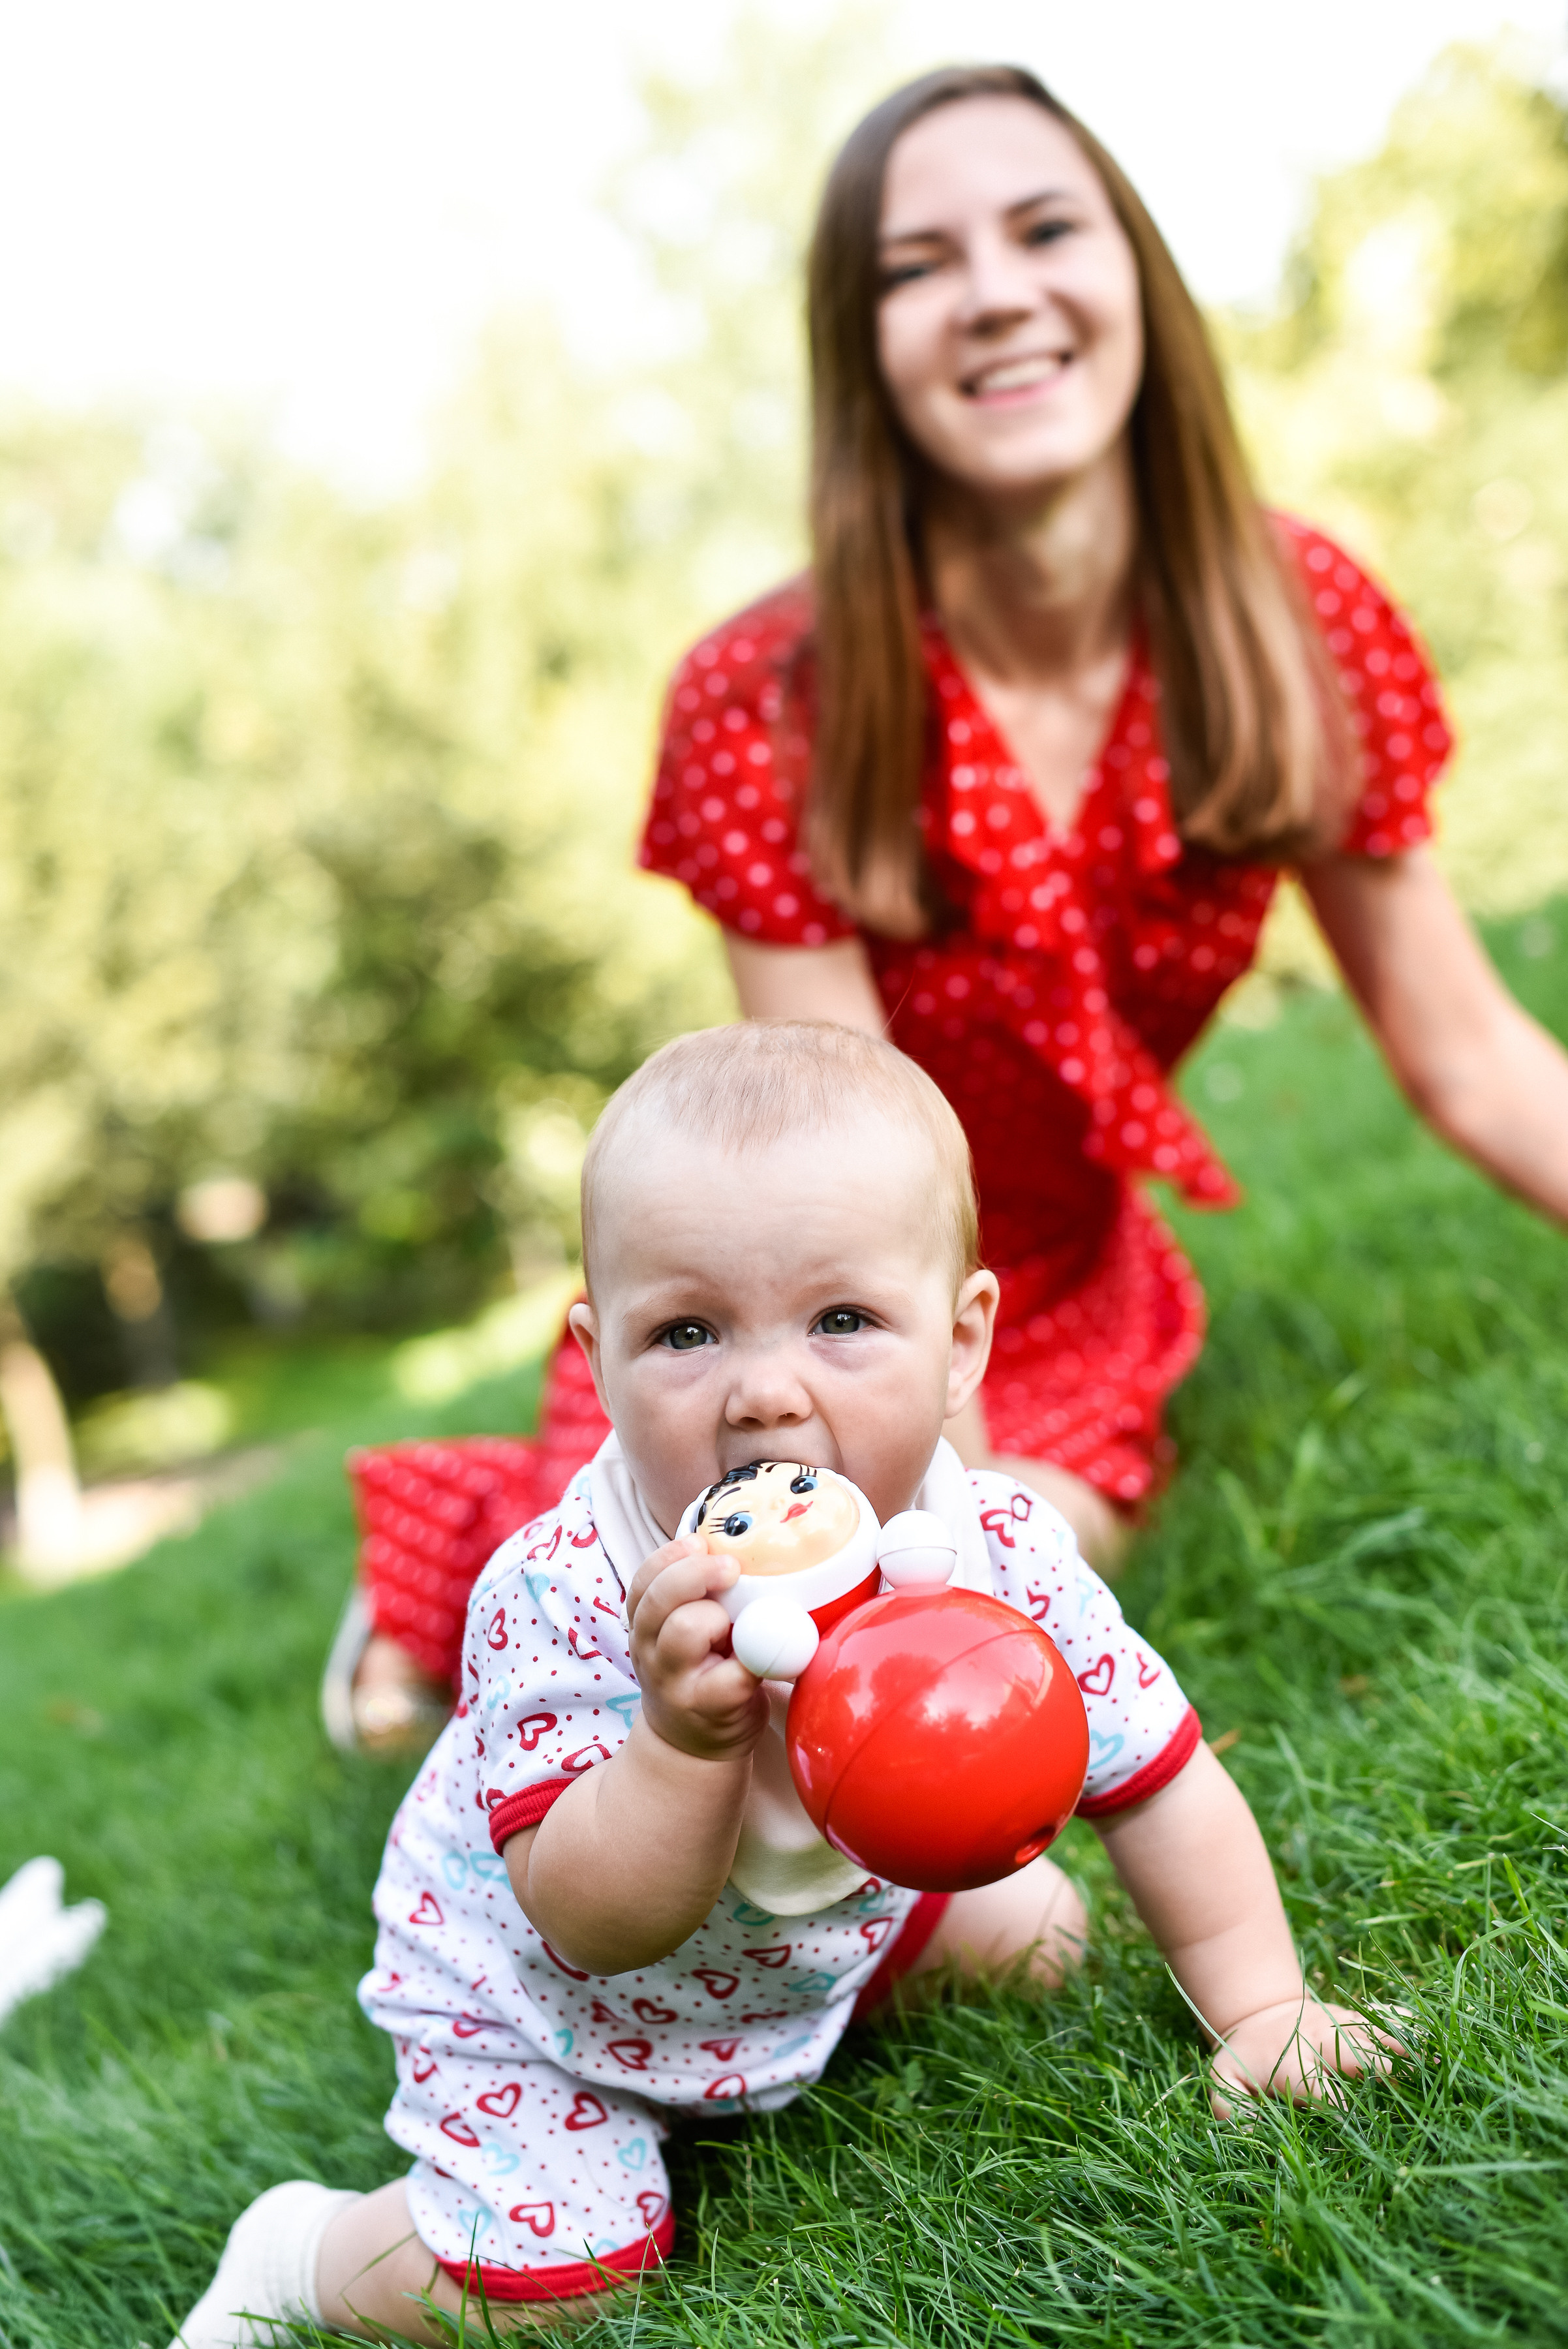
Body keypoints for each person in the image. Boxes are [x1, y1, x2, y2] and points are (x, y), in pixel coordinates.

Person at [335, 60, 1568, 1748]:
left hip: (1043, 1284)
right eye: (918, 265)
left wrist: (977, 1548)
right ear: (864, 349)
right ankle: (451, 1562)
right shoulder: (767, 702)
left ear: (1132, 272)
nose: (995, 293)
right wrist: (906, 1523)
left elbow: (1474, 1061)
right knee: (692, 1651)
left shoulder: (1297, 620)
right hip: (811, 1303)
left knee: (1035, 1565)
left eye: (1045, 228)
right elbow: (835, 1184)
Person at [179, 1023, 1394, 2344]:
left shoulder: (990, 1555)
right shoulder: (565, 1597)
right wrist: (678, 1744)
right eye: (687, 1331)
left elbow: (1157, 1780)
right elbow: (589, 1924)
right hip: (551, 2006)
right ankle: (302, 2255)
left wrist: (1264, 2011)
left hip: (796, 1937)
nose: (764, 1393)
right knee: (565, 2289)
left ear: (962, 1342)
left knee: (1042, 1933)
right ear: (595, 1361)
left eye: (842, 1321)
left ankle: (823, 1994)